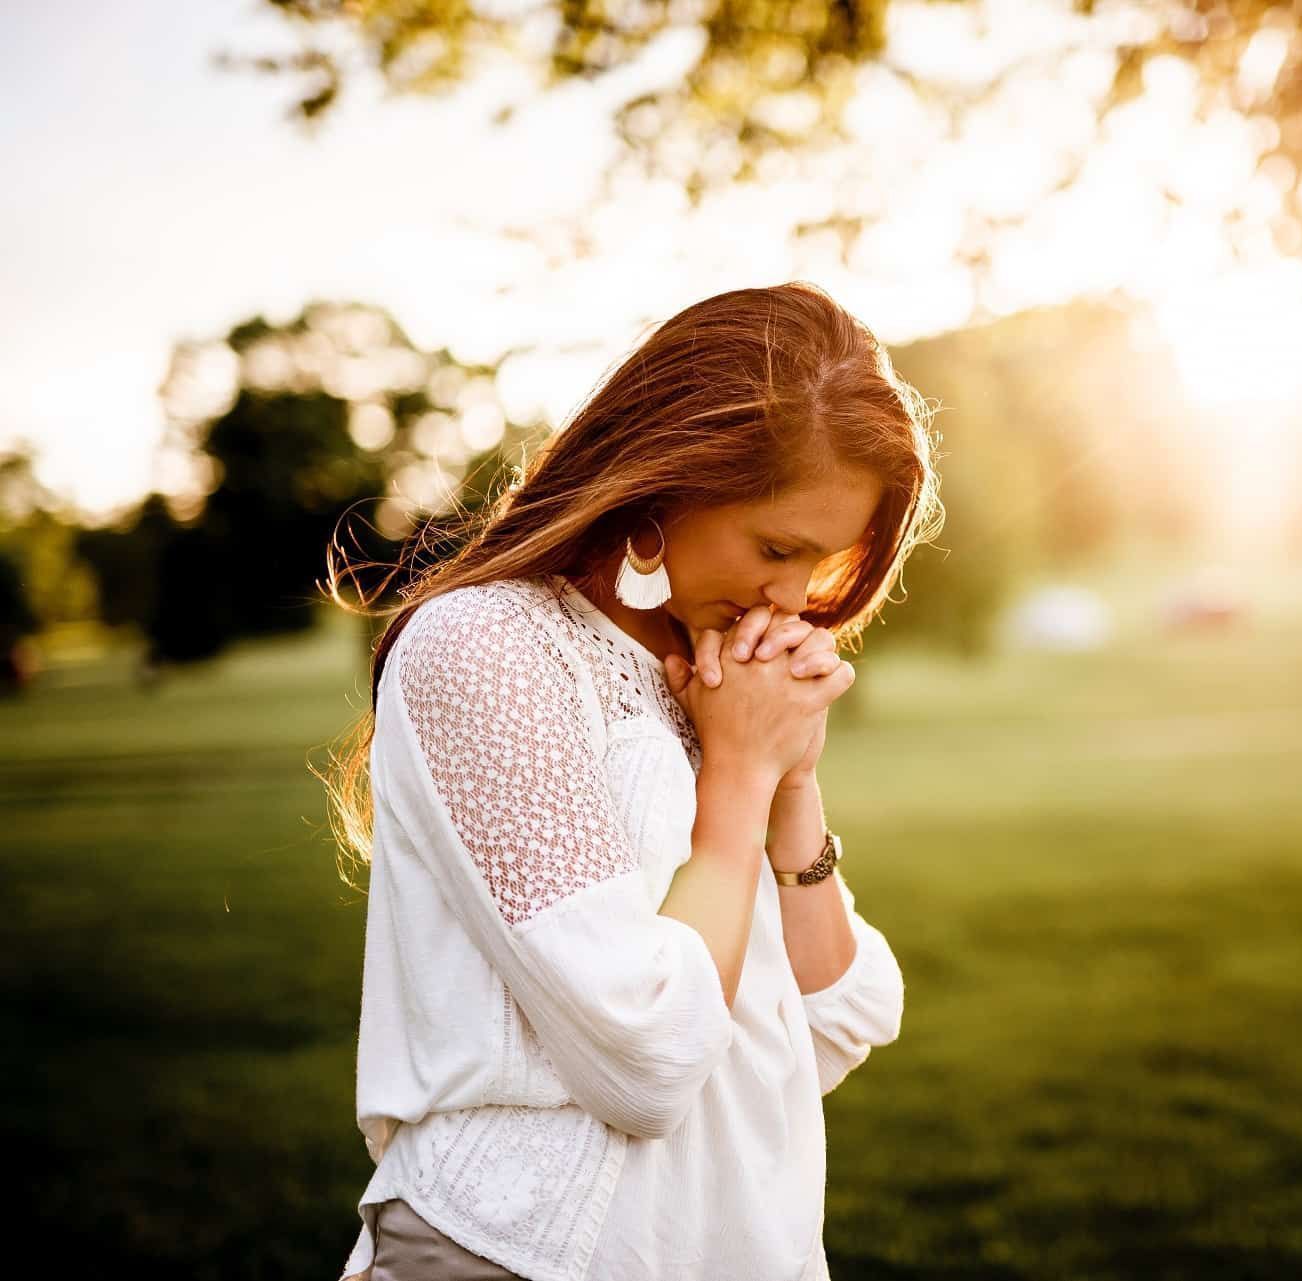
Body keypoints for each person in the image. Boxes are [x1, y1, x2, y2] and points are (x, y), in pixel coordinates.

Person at [321, 281, 944, 1281]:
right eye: (775, 548)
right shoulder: (488, 648)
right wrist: (738, 777)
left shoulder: (712, 673)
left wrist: (789, 777)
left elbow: (839, 1016)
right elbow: (649, 1056)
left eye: (820, 562)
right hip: (513, 1255)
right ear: (663, 484)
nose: (792, 598)